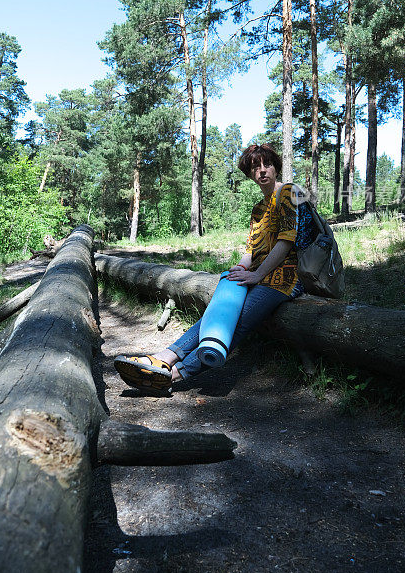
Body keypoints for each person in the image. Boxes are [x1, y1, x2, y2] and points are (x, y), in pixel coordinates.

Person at [114, 143, 303, 393]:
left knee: (237, 320)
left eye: (267, 164)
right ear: (249, 174)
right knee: (217, 316)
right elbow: (251, 251)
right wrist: (238, 271)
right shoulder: (258, 209)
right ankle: (164, 357)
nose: (262, 171)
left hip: (287, 278)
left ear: (276, 167)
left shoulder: (290, 192)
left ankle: (173, 375)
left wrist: (257, 274)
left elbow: (287, 240)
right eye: (255, 167)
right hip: (260, 276)